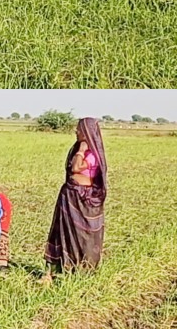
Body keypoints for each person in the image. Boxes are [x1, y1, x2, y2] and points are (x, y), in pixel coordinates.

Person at [40, 117, 108, 284]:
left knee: (82, 235)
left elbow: (76, 168)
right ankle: (51, 272)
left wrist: (82, 149)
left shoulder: (91, 154)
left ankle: (80, 270)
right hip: (69, 194)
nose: (76, 131)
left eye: (79, 129)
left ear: (86, 133)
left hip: (83, 197)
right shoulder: (80, 150)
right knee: (60, 231)